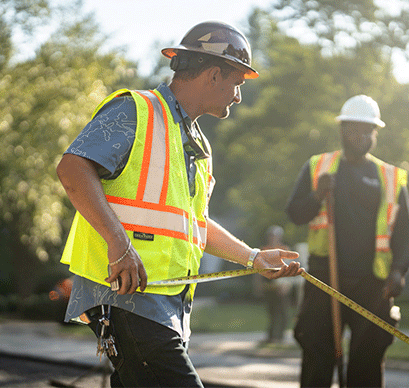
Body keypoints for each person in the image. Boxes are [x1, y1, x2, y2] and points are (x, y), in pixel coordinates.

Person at [57, 21, 302, 388]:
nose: (238, 96)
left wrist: (252, 257)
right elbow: (72, 168)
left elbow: (194, 224)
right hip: (127, 297)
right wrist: (119, 245)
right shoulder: (136, 110)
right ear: (214, 75)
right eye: (237, 83)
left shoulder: (197, 146)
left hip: (162, 303)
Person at [286, 95, 409, 388]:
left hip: (372, 284)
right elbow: (295, 213)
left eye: (368, 130)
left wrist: (399, 271)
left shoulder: (389, 176)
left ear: (376, 133)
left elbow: (405, 233)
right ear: (343, 130)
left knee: (367, 362)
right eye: (355, 129)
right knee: (318, 358)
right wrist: (317, 195)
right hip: (324, 279)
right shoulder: (318, 166)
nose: (362, 136)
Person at [258, 225, 294, 344]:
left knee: (283, 313)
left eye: (275, 236)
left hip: (281, 287)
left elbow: (289, 268)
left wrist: (286, 285)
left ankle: (280, 337)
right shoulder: (264, 250)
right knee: (272, 313)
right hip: (269, 288)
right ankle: (271, 337)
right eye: (271, 236)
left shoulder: (285, 250)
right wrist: (258, 285)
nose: (272, 238)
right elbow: (257, 271)